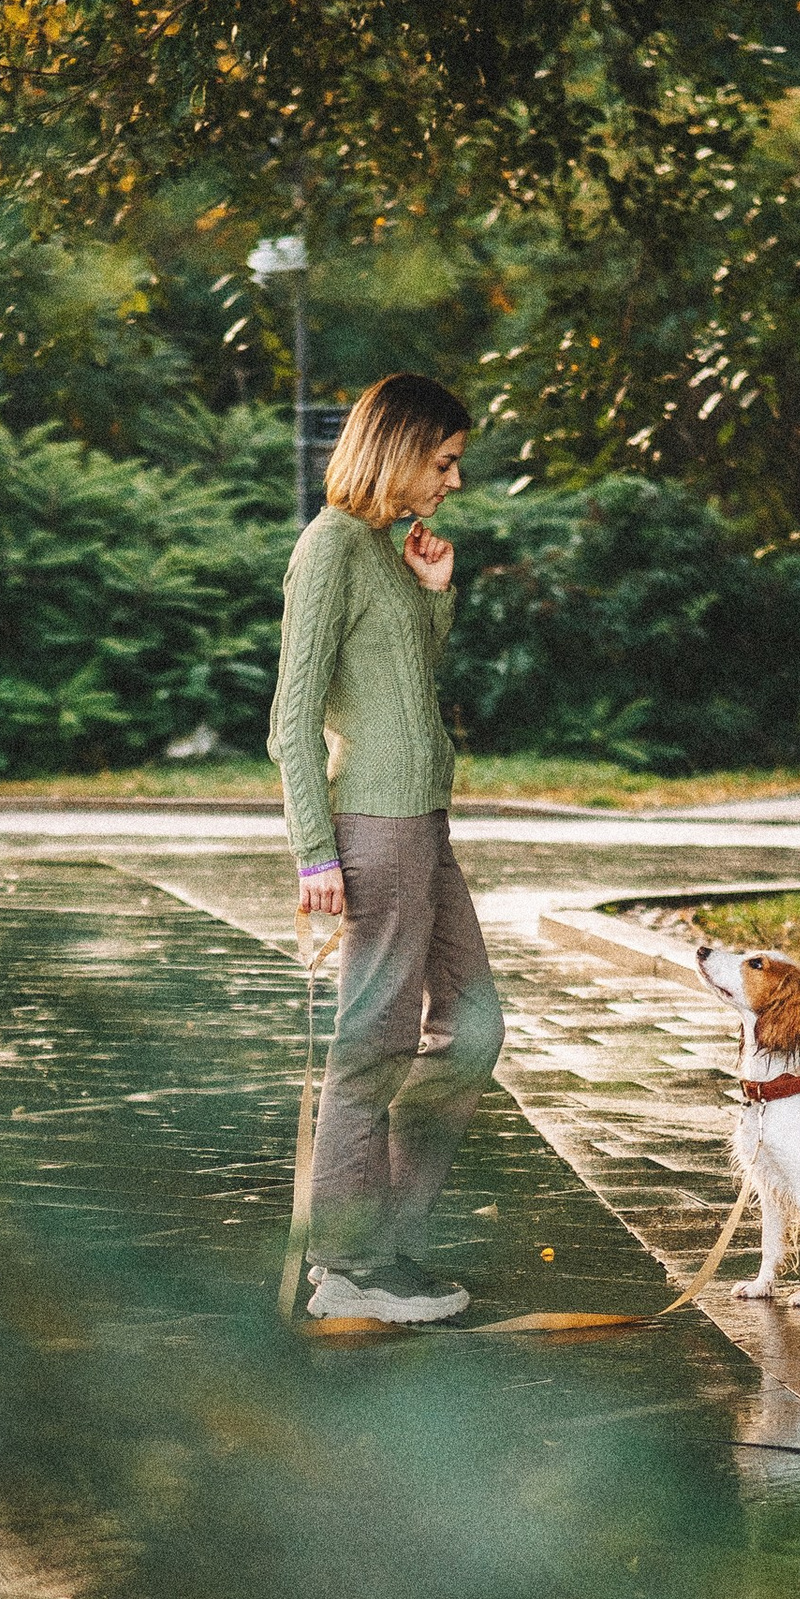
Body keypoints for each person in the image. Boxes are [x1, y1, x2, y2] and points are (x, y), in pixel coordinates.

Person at [267, 371, 505, 1325]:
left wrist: (436, 596)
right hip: (375, 827)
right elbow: (292, 718)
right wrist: (314, 852)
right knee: (371, 1042)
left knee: (476, 1026)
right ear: (401, 449)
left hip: (424, 822)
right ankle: (346, 1265)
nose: (452, 482)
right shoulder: (329, 548)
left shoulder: (387, 550)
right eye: (443, 461)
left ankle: (387, 1239)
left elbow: (401, 685)